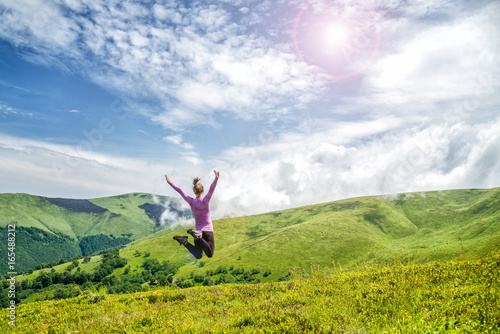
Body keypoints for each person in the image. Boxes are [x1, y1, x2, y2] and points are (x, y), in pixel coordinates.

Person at [165, 170, 219, 259]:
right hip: (207, 230)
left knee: (198, 255)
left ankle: (184, 241)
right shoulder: (205, 200)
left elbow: (180, 191)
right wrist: (216, 178)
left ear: (194, 192)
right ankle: (198, 236)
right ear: (203, 190)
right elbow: (212, 188)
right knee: (210, 254)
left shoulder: (191, 202)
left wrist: (170, 183)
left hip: (197, 229)